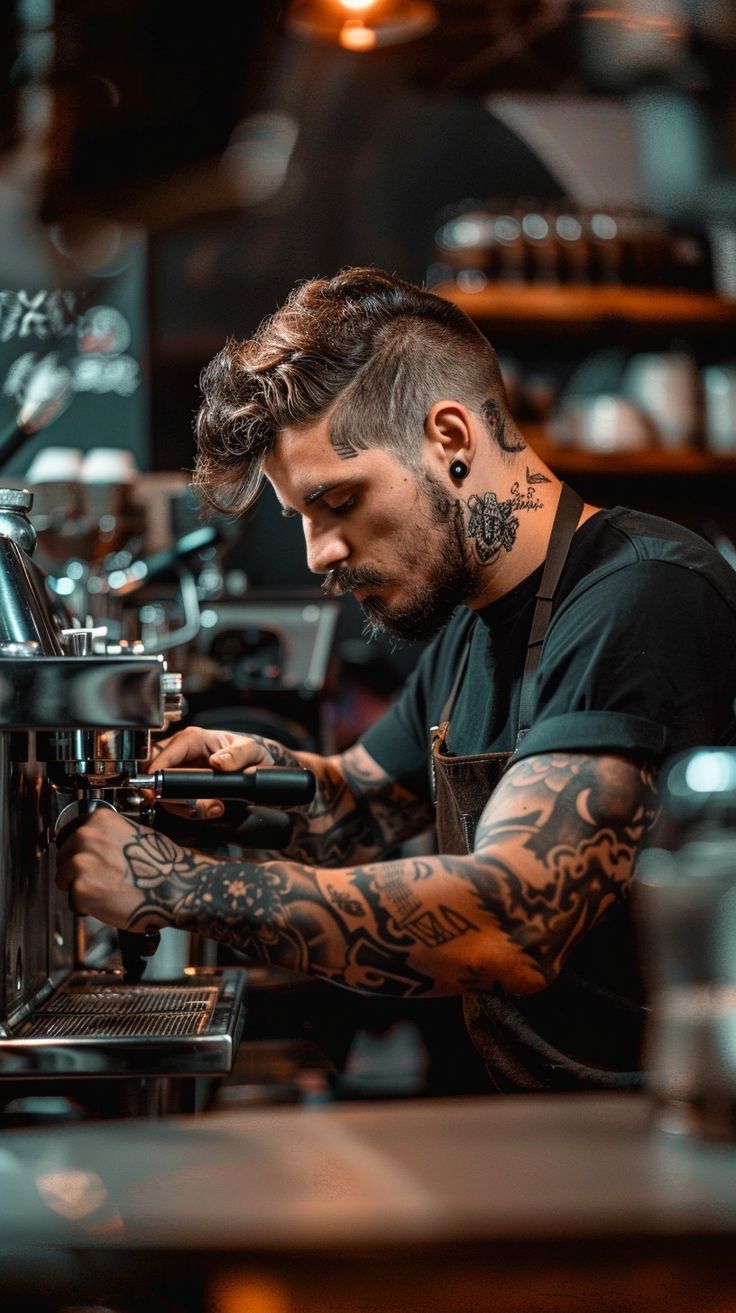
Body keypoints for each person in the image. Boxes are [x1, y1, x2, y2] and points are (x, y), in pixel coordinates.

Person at [56, 267, 736, 1092]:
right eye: (303, 519)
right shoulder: (469, 621)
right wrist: (246, 785)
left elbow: (511, 922)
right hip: (537, 1127)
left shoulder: (643, 594)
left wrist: (181, 888)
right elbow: (364, 803)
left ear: (449, 438)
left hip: (661, 1137)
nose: (319, 556)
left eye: (337, 501)